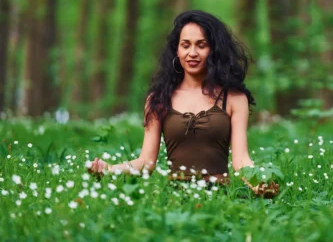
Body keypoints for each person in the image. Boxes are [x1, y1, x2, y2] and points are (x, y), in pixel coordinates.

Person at [87, 10, 279, 198]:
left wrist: (259, 182)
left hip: (220, 199)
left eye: (201, 45)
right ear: (176, 50)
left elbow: (241, 160)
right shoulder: (159, 98)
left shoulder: (234, 98)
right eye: (185, 45)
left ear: (213, 50)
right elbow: (146, 162)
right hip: (175, 199)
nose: (192, 53)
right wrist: (110, 169)